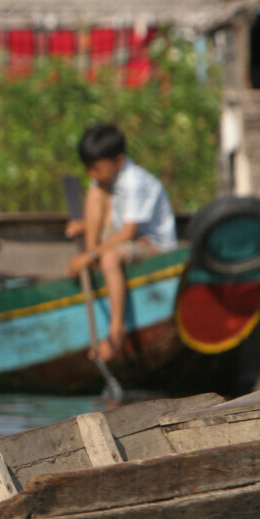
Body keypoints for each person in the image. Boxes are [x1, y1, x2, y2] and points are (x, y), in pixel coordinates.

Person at [64, 122, 176, 362]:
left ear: (119, 162)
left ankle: (116, 332)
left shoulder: (134, 181)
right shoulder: (103, 181)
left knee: (110, 257)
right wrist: (84, 226)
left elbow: (127, 233)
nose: (91, 175)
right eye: (88, 168)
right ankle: (94, 257)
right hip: (128, 239)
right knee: (95, 195)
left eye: (96, 168)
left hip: (153, 246)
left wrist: (90, 256)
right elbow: (112, 215)